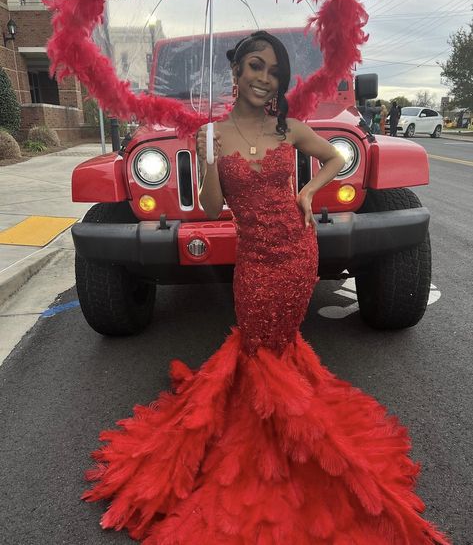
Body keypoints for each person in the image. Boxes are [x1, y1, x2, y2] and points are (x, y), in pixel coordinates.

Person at [82, 31, 451, 545]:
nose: (264, 77)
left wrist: (307, 193)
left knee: (276, 348)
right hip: (255, 259)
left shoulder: (291, 130)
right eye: (255, 66)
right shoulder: (212, 134)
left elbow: (334, 160)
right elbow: (211, 209)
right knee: (259, 347)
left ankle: (284, 446)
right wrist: (208, 160)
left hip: (298, 254)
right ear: (235, 74)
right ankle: (269, 439)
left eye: (274, 71)